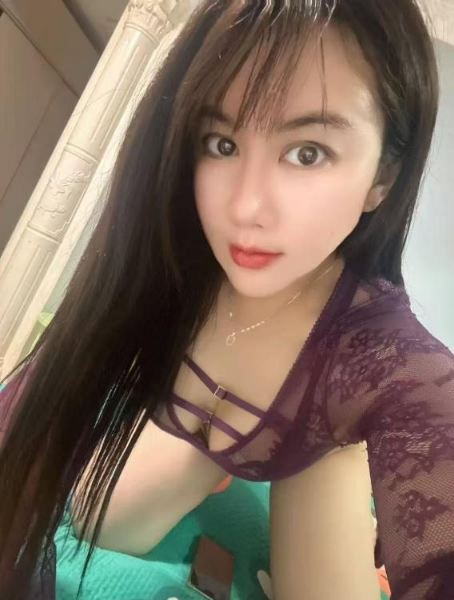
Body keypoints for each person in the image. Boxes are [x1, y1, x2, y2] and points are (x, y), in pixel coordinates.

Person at [0, 0, 453, 598]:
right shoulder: (174, 255)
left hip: (323, 439)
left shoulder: (382, 361)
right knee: (99, 519)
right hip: (168, 455)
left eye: (307, 152)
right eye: (221, 143)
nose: (245, 208)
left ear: (382, 179)